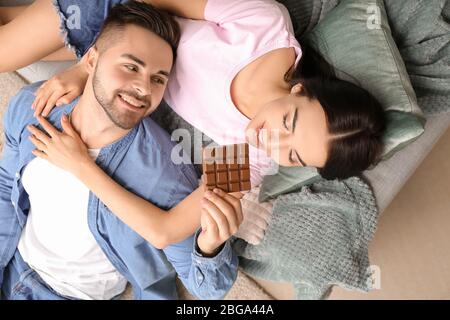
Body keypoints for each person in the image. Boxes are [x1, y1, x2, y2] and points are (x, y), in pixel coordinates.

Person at [1, 0, 386, 247]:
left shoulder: (249, 159)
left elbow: (163, 230)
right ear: (301, 90)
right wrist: (88, 67)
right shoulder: (264, 27)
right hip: (124, 14)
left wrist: (81, 165)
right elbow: (154, 1)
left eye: (293, 154)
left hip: (121, 62)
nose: (272, 140)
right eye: (288, 122)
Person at [0, 2, 241, 300]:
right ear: (91, 61)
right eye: (131, 67)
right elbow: (6, 184)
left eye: (158, 79)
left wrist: (210, 247)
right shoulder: (32, 107)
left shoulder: (165, 177)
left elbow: (207, 288)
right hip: (13, 264)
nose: (143, 87)